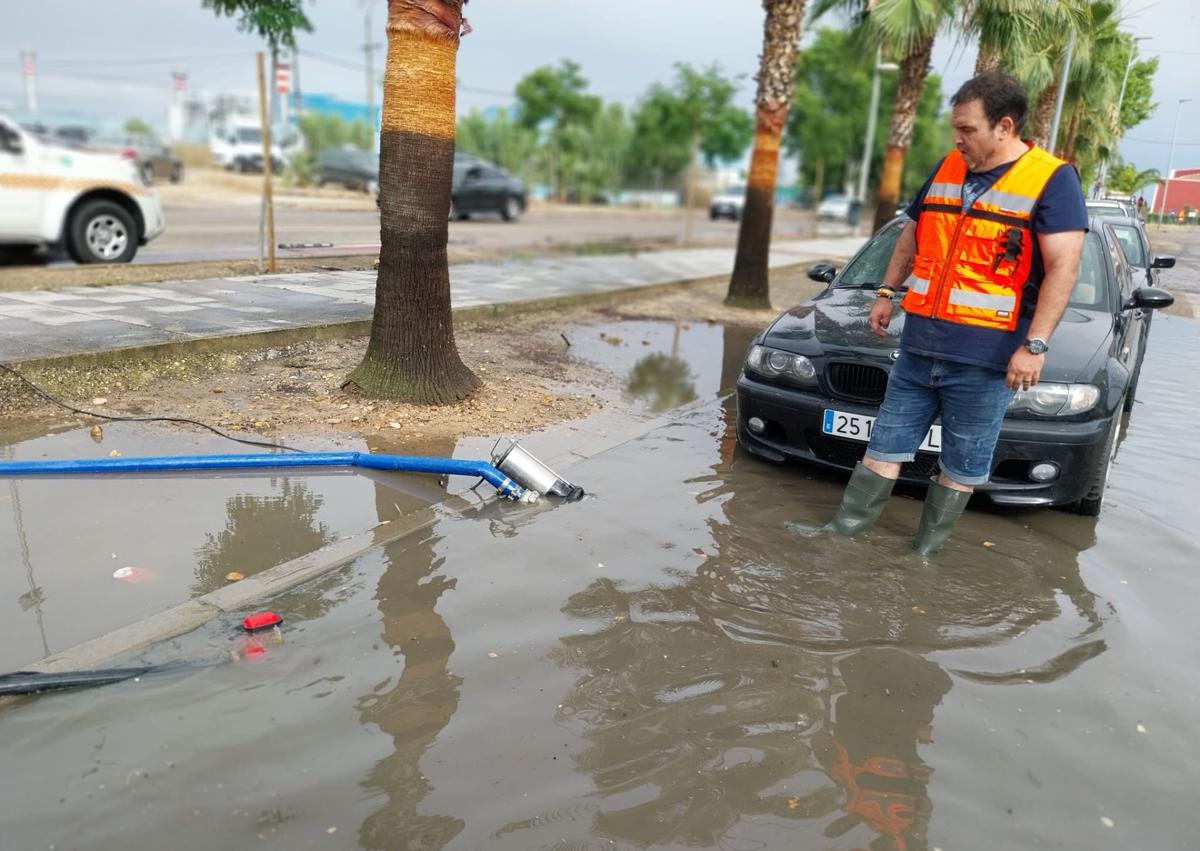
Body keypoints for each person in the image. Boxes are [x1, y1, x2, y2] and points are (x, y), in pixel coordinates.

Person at [801, 72, 1087, 556]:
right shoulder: (948, 168)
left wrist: (1034, 345)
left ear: (1004, 126)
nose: (958, 138)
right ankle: (842, 535)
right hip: (919, 347)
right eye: (955, 128)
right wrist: (887, 291)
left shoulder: (1052, 180)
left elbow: (1064, 267)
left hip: (986, 358)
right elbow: (912, 233)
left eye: (968, 129)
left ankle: (923, 556)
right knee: (884, 445)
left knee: (962, 463)